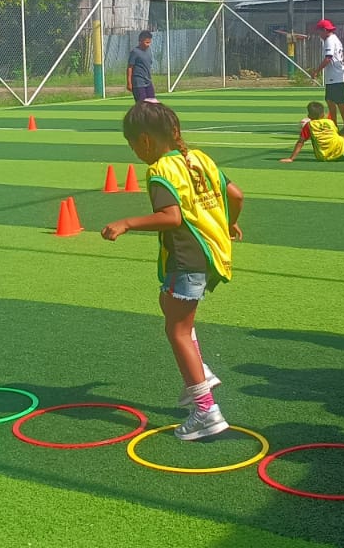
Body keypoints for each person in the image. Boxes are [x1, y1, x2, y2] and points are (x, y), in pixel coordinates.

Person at [101, 102, 244, 441]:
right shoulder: (199, 159)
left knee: (177, 330)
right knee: (170, 306)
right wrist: (228, 224)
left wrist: (126, 222)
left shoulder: (160, 170)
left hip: (186, 257)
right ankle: (200, 373)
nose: (135, 152)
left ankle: (205, 410)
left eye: (132, 145)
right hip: (211, 254)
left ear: (145, 140)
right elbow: (236, 195)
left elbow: (171, 217)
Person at [315, 19, 344, 135]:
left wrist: (317, 71)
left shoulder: (330, 40)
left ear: (324, 30)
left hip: (335, 75)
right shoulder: (334, 39)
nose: (319, 35)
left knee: (339, 101)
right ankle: (335, 124)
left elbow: (328, 57)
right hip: (335, 75)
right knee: (330, 100)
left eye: (319, 32)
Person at [127, 30, 158, 103]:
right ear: (140, 41)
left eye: (149, 42)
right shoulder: (135, 52)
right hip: (138, 83)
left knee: (152, 103)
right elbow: (130, 68)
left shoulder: (149, 50)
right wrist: (129, 83)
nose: (148, 44)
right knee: (142, 104)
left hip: (148, 81)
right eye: (146, 42)